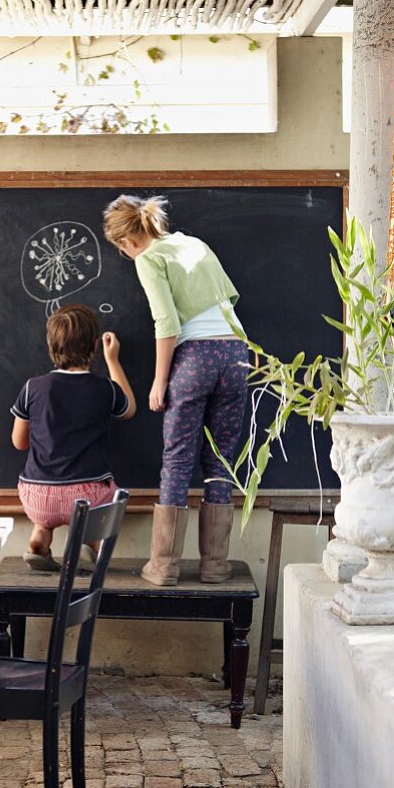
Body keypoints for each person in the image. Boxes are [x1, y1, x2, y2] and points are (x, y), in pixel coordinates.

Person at [102, 194, 248, 587]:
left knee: (179, 459)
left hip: (195, 359)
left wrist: (158, 382)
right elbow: (228, 299)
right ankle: (215, 565)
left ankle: (164, 566)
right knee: (221, 460)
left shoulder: (148, 259)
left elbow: (167, 324)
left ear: (124, 243)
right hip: (237, 355)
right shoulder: (193, 243)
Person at [11, 303, 136, 571]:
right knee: (107, 500)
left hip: (37, 496)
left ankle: (39, 538)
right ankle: (89, 542)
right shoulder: (104, 388)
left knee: (45, 517)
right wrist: (112, 360)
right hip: (86, 498)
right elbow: (129, 410)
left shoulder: (33, 387)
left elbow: (19, 442)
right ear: (94, 346)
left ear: (51, 345)